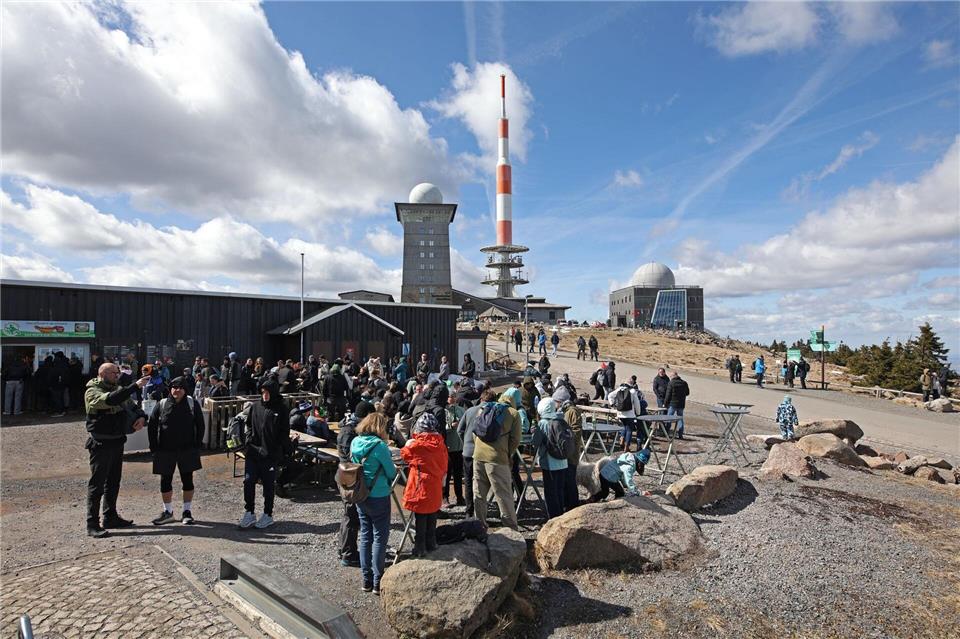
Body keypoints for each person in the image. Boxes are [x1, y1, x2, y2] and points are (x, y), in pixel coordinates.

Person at [83, 363, 150, 537]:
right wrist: (135, 386)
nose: (117, 375)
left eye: (118, 373)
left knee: (113, 482)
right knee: (97, 485)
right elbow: (110, 400)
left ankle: (110, 517)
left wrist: (142, 418)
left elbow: (134, 407)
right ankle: (92, 523)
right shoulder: (92, 391)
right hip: (101, 443)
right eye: (114, 373)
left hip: (117, 441)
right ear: (102, 374)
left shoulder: (119, 389)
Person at [350, 412, 397, 594]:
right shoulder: (380, 446)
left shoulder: (355, 442)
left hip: (360, 494)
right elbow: (391, 473)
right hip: (379, 495)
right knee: (379, 537)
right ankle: (378, 581)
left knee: (365, 535)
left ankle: (366, 579)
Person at [148, 377, 205, 525]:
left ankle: (187, 512)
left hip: (187, 449)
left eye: (180, 387)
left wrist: (197, 446)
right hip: (165, 450)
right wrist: (154, 447)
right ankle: (168, 512)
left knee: (188, 480)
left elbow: (200, 425)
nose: (176, 390)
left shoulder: (192, 404)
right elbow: (152, 426)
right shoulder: (162, 404)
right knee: (165, 481)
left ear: (185, 390)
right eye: (173, 387)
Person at [239, 376, 288, 530]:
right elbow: (248, 425)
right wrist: (248, 440)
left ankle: (267, 514)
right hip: (253, 452)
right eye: (263, 392)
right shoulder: (255, 406)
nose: (265, 395)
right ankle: (249, 511)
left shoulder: (281, 408)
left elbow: (284, 432)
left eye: (268, 392)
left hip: (269, 455)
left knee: (268, 485)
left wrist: (276, 449)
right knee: (248, 481)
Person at [472, 389, 522, 530]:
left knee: (479, 493)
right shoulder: (513, 414)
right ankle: (510, 529)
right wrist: (507, 453)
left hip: (478, 456)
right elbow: (516, 439)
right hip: (497, 459)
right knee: (503, 495)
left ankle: (479, 525)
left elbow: (475, 434)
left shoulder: (484, 409)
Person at [401, 413, 448, 557]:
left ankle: (420, 548)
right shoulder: (441, 444)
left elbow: (404, 455)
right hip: (434, 485)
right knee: (432, 514)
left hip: (420, 485)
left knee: (420, 518)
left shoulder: (416, 445)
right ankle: (431, 543)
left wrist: (408, 443)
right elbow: (445, 464)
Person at [337, 401, 374, 567]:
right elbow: (346, 459)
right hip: (349, 478)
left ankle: (345, 549)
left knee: (350, 515)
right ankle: (348, 553)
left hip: (350, 477)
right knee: (351, 516)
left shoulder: (351, 428)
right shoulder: (349, 431)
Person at [532, 398, 569, 519]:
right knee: (560, 490)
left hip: (549, 462)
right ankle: (561, 516)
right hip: (563, 461)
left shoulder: (543, 422)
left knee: (550, 492)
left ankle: (553, 519)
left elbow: (535, 442)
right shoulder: (561, 419)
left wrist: (533, 432)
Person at [581, 450, 649, 502]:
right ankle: (616, 504)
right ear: (639, 463)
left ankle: (590, 500)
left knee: (604, 493)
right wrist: (637, 492)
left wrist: (624, 484)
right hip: (610, 478)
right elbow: (628, 480)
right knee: (620, 492)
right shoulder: (630, 466)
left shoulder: (628, 457)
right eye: (642, 465)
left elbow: (623, 475)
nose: (641, 467)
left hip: (603, 474)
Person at [457, 400, 482, 518]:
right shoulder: (492, 410)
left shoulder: (469, 411)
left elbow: (459, 430)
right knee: (481, 481)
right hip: (482, 451)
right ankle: (480, 511)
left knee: (468, 481)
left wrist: (466, 442)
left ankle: (469, 510)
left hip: (468, 450)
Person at [560, 400, 583, 510]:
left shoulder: (572, 412)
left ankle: (572, 504)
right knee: (566, 479)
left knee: (570, 479)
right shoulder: (568, 411)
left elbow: (576, 430)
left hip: (571, 451)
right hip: (569, 450)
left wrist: (565, 438)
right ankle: (567, 503)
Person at [609, 380, 644, 452]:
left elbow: (610, 395)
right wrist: (638, 413)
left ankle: (622, 440)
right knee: (629, 430)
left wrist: (612, 404)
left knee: (624, 426)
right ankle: (626, 447)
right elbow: (637, 403)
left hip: (620, 413)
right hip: (630, 414)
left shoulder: (619, 389)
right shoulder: (633, 391)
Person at [444, 395, 465, 507]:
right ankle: (445, 496)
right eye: (449, 396)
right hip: (448, 446)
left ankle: (459, 496)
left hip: (459, 446)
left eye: (453, 396)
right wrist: (450, 426)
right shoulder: (443, 411)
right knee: (446, 474)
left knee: (458, 474)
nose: (451, 398)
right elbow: (441, 427)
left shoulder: (461, 410)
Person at [663, 371, 690, 440]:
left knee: (669, 418)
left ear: (673, 376)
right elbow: (687, 393)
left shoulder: (671, 383)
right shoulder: (684, 383)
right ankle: (680, 434)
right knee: (680, 419)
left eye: (671, 376)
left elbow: (668, 394)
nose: (670, 378)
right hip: (681, 403)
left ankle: (666, 432)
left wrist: (665, 403)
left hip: (673, 403)